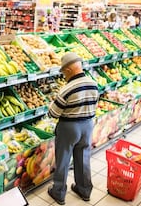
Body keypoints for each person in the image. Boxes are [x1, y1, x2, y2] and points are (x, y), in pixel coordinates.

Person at [47, 52, 99, 205]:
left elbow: (53, 113)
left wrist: (52, 104)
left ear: (69, 70)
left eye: (63, 72)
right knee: (83, 157)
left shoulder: (67, 89)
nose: (63, 75)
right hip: (88, 124)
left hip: (69, 127)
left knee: (63, 159)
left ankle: (59, 192)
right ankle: (84, 190)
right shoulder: (93, 83)